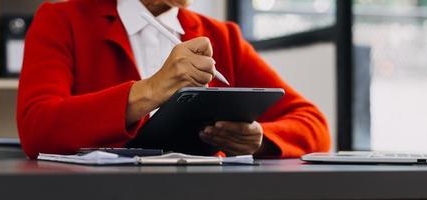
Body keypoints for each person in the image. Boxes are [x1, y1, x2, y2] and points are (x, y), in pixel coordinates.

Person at [17, 0, 331, 159]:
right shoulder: (63, 21)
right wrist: (151, 90)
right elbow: (37, 127)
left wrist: (259, 139)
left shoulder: (222, 37)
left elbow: (313, 124)